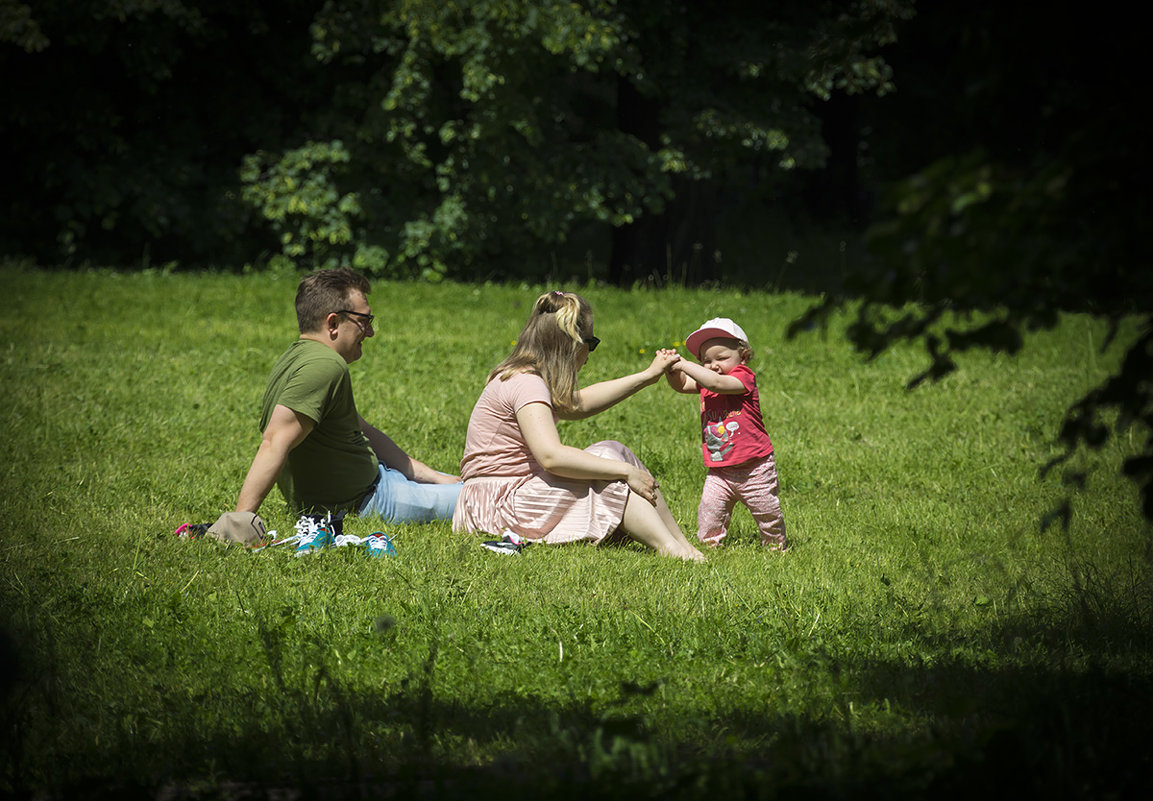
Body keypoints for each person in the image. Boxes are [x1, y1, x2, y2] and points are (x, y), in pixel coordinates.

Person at [452, 290, 705, 561]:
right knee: (612, 475)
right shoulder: (526, 382)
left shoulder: (526, 376)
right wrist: (626, 472)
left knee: (611, 450)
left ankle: (681, 544)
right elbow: (551, 456)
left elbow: (578, 404)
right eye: (591, 343)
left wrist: (646, 376)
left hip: (501, 496)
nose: (590, 354)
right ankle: (671, 549)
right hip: (499, 505)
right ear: (571, 345)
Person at [228, 267, 461, 528]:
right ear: (333, 323)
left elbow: (362, 429)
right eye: (364, 320)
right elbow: (274, 441)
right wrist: (239, 522)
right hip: (372, 500)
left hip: (377, 483)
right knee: (489, 498)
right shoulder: (324, 366)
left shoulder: (295, 357)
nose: (370, 332)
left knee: (470, 484)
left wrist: (431, 476)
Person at [663, 317, 787, 550]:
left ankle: (774, 546)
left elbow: (718, 382)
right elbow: (682, 385)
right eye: (706, 361)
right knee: (709, 509)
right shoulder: (707, 381)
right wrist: (671, 369)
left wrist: (685, 364)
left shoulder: (742, 377)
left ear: (743, 356)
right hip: (720, 469)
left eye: (721, 358)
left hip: (754, 467)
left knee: (766, 511)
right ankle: (710, 545)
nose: (713, 365)